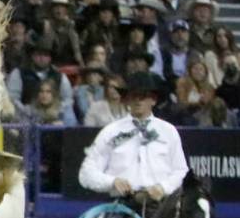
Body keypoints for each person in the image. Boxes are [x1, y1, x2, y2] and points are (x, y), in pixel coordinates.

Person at [79, 71, 188, 208]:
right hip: (121, 206)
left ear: (153, 100)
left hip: (161, 207)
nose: (138, 100)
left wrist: (163, 187)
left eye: (143, 96)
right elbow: (87, 173)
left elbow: (181, 171)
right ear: (127, 99)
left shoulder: (168, 131)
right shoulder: (111, 132)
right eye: (133, 96)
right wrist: (112, 181)